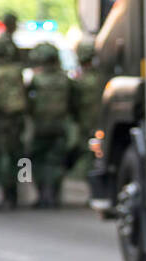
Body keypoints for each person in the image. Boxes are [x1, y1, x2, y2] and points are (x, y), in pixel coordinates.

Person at [26, 42, 74, 208]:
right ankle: (54, 195)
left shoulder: (36, 80)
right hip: (60, 126)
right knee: (56, 162)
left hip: (40, 127)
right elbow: (73, 103)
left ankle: (40, 195)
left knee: (33, 161)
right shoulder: (65, 80)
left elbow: (28, 103)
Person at [0, 37, 27, 209]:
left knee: (2, 156)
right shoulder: (16, 71)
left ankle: (5, 194)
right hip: (17, 119)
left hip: (0, 119)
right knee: (20, 156)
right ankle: (19, 192)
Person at [71, 39, 102, 181]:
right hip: (98, 122)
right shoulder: (101, 78)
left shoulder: (79, 80)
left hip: (85, 122)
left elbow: (73, 103)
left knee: (85, 151)